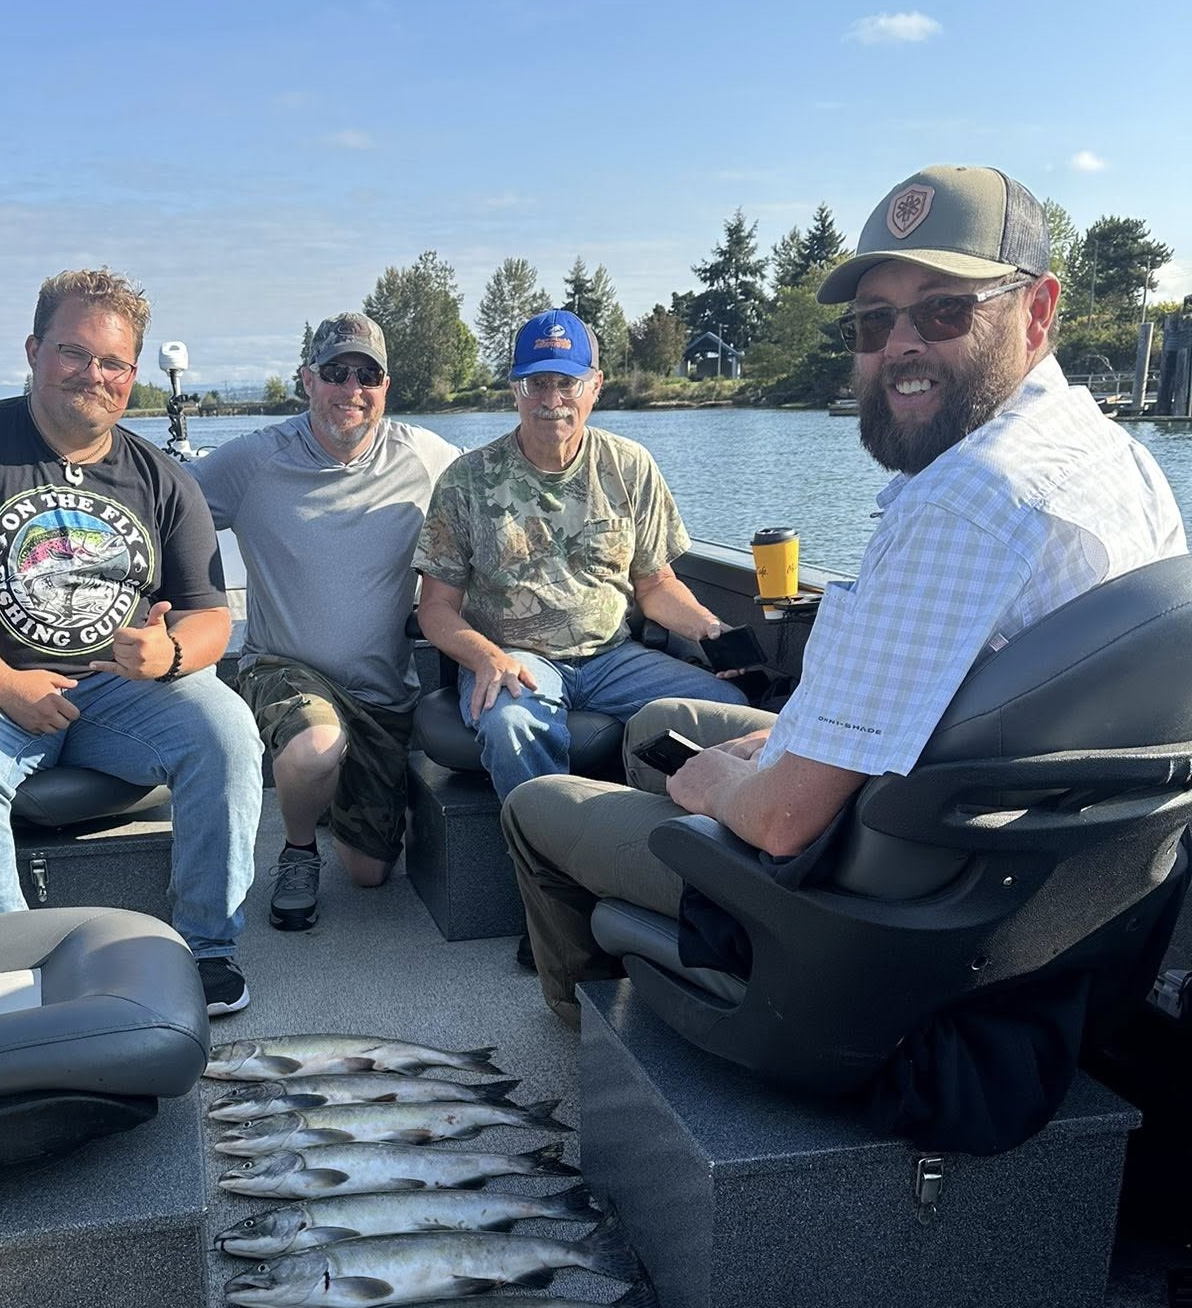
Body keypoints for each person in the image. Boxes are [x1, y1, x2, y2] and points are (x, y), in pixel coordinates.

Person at [503, 165, 1187, 1027]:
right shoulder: (1116, 459)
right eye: (873, 320)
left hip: (842, 913)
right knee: (653, 731)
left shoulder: (964, 505)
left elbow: (785, 822)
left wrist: (717, 787)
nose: (899, 345)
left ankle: (600, 1040)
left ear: (1037, 310)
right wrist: (785, 743)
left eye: (944, 310)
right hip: (988, 882)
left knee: (538, 806)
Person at [0, 266, 265, 1016]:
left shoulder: (163, 479)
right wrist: (3, 684)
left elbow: (208, 617)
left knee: (228, 732)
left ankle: (208, 949)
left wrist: (170, 655)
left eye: (114, 362)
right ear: (33, 350)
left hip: (117, 690)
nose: (94, 375)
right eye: (74, 352)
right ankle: (9, 970)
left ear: (133, 375)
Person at [414, 307, 747, 811]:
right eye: (536, 384)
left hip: (614, 656)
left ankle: (669, 838)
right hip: (516, 657)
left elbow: (656, 585)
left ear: (595, 386)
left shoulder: (630, 465)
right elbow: (435, 608)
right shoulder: (467, 479)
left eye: (567, 384)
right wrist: (486, 658)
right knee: (511, 724)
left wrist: (710, 630)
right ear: (515, 389)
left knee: (733, 712)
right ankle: (544, 852)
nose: (551, 401)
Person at [188, 313, 457, 930]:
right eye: (336, 373)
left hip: (382, 694)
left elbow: (489, 503)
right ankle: (298, 849)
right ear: (308, 380)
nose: (351, 389)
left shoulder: (425, 456)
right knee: (314, 749)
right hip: (284, 668)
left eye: (368, 375)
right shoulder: (253, 461)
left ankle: (329, 793)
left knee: (369, 874)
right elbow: (161, 509)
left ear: (386, 386)